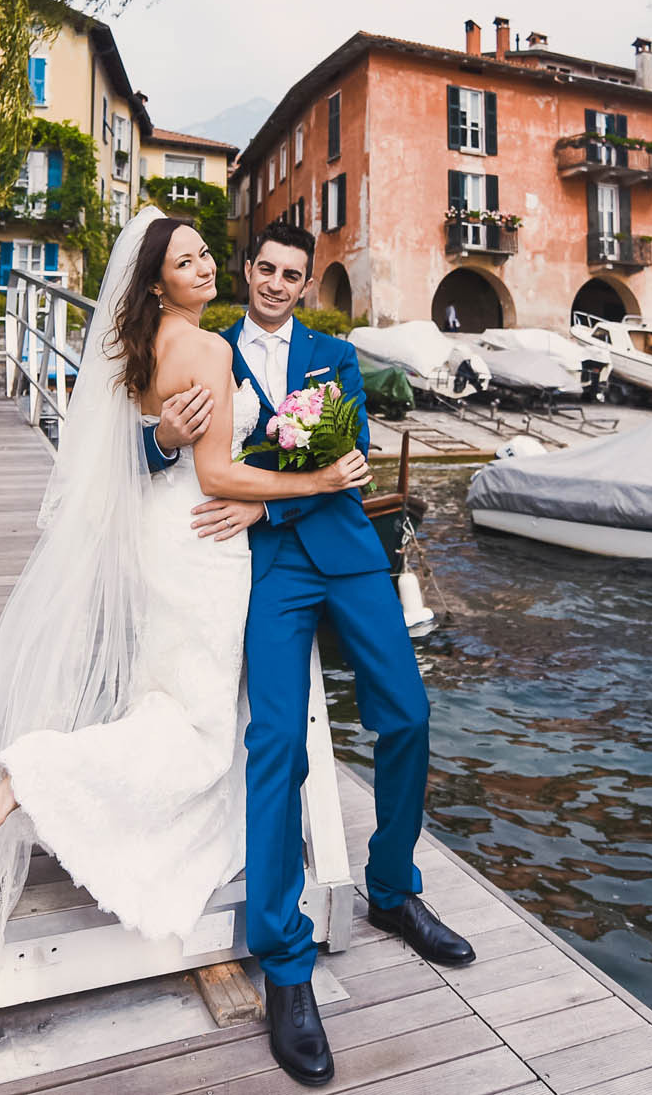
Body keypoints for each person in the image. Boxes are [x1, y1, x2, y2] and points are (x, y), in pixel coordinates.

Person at [0, 210, 371, 1006]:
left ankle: (86, 793)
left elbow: (140, 446)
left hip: (158, 542)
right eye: (187, 260)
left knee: (174, 699)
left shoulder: (134, 347)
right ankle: (32, 773)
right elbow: (218, 479)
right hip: (204, 546)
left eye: (207, 253)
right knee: (198, 729)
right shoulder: (206, 347)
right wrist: (316, 480)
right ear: (157, 279)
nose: (207, 266)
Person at [156, 219, 475, 1086]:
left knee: (407, 712)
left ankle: (392, 887)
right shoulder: (206, 348)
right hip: (268, 575)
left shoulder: (333, 356)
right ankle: (283, 960)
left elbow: (352, 459)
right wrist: (164, 440)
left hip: (345, 550)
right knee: (276, 747)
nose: (276, 283)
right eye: (265, 268)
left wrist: (270, 505)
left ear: (304, 284)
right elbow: (160, 444)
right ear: (248, 271)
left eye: (293, 274)